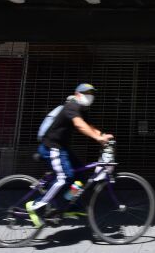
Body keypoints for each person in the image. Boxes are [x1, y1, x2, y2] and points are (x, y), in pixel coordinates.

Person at [26, 83, 113, 226]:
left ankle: (69, 205)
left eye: (92, 93)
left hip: (62, 149)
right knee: (64, 177)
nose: (90, 96)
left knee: (80, 177)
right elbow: (80, 125)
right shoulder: (72, 106)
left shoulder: (82, 109)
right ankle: (35, 206)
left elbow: (88, 126)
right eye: (87, 93)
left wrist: (102, 135)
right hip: (51, 147)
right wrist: (98, 138)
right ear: (78, 93)